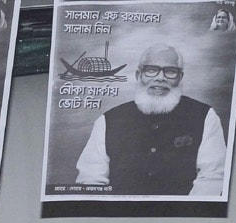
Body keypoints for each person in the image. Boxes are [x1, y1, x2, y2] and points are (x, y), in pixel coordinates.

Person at [75, 43, 225, 196]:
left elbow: (212, 178)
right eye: (151, 70)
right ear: (138, 75)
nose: (160, 78)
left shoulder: (205, 116)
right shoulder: (108, 120)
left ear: (180, 77)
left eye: (170, 71)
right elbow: (91, 180)